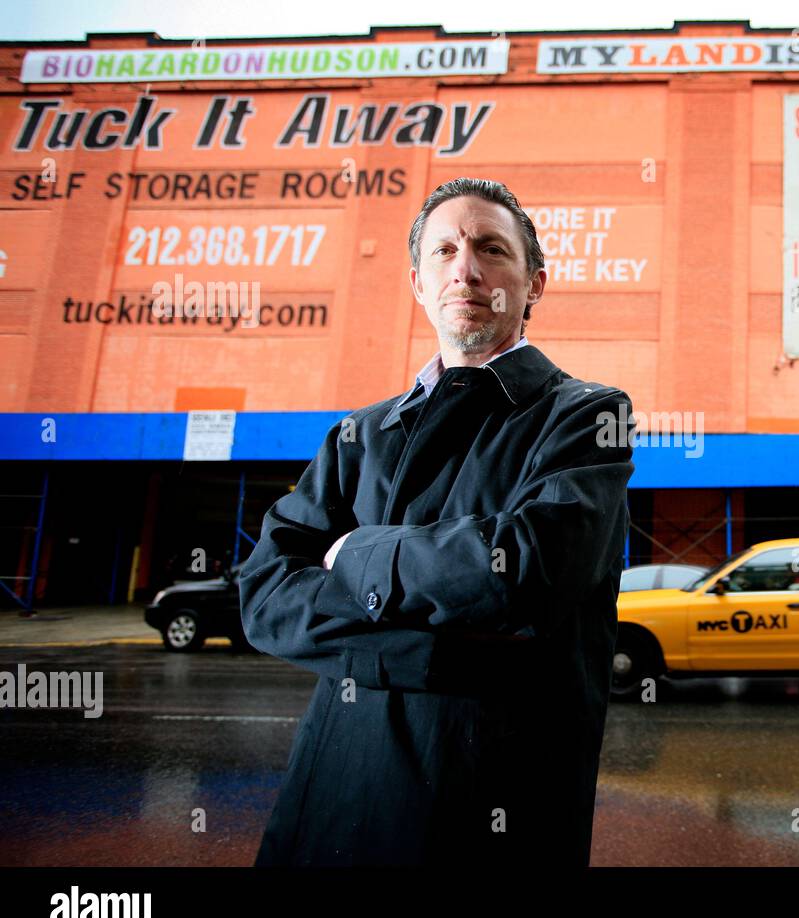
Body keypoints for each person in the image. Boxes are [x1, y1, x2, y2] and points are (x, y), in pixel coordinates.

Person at [238, 177, 636, 866]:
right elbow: (265, 592)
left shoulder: (587, 416)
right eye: (443, 249)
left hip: (484, 814)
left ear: (534, 283)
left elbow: (527, 569)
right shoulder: (358, 434)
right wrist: (425, 654)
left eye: (490, 248)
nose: (466, 267)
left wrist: (356, 554)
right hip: (324, 809)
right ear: (419, 284)